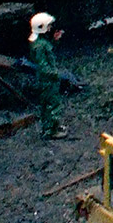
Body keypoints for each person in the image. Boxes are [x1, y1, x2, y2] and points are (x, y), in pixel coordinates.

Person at [28, 12, 75, 140]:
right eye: (48, 26)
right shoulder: (39, 46)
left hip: (49, 80)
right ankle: (51, 130)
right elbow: (43, 67)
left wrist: (55, 41)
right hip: (48, 81)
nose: (50, 28)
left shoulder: (40, 42)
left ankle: (53, 126)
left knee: (50, 104)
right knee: (52, 105)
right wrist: (57, 74)